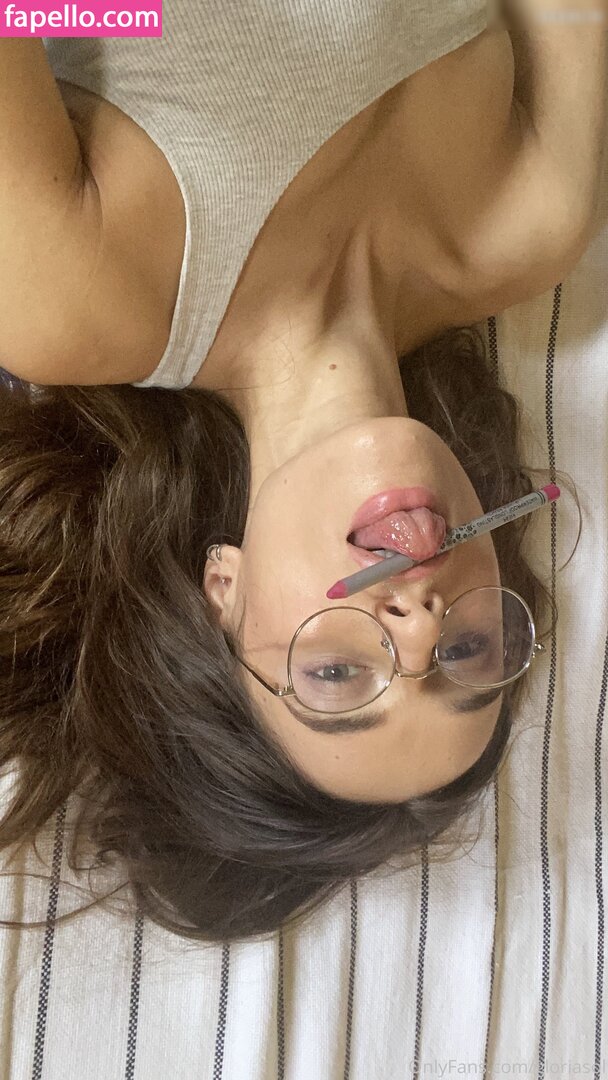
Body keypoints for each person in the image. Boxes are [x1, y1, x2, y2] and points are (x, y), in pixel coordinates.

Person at [0, 1, 602, 943]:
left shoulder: (71, 303)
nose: (419, 622)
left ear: (222, 592)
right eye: (466, 654)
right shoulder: (535, 220)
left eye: (336, 673)